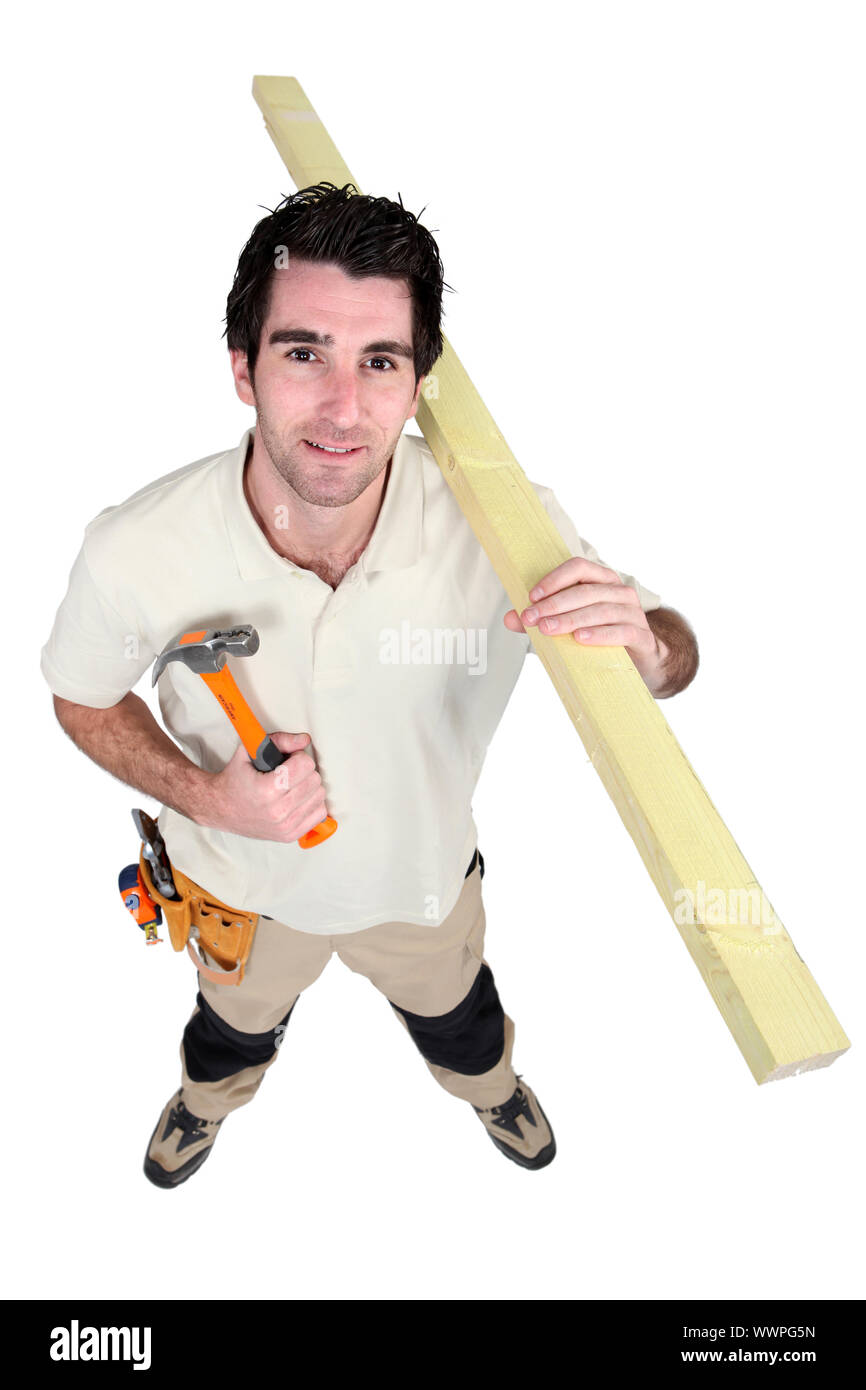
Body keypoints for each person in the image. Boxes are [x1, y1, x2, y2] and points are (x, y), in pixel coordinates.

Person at [41, 183, 698, 1187]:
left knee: (462, 1021)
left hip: (419, 885)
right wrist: (206, 795)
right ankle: (204, 1103)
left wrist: (647, 647)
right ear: (241, 367)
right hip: (241, 889)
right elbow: (82, 697)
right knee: (230, 1028)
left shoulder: (504, 524)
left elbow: (671, 654)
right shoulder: (137, 547)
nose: (344, 408)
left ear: (418, 381)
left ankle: (491, 1090)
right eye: (303, 352)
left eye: (379, 362)